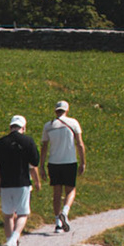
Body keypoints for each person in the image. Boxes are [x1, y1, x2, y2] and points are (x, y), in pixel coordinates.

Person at [0, 114, 42, 246]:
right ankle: (13, 239)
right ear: (23, 127)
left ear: (10, 127)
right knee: (23, 214)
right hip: (22, 183)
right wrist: (37, 181)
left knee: (8, 215)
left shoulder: (0, 142)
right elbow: (35, 162)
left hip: (5, 184)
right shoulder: (28, 141)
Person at [41, 99, 86, 232]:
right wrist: (83, 162)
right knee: (70, 190)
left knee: (56, 192)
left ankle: (57, 223)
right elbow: (80, 144)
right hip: (69, 161)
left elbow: (44, 147)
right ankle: (65, 212)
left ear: (56, 111)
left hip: (53, 162)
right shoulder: (73, 123)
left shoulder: (48, 125)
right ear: (67, 110)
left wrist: (41, 165)